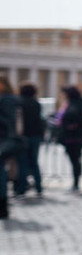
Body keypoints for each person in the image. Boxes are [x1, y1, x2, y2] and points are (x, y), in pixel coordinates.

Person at [14, 83, 45, 198]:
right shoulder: (36, 103)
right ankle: (39, 187)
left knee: (23, 163)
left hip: (23, 136)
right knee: (34, 162)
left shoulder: (19, 103)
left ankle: (21, 189)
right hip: (35, 136)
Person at [59, 85, 82, 192]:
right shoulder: (79, 102)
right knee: (75, 158)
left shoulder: (75, 104)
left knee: (75, 158)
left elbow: (74, 116)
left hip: (74, 136)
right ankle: (76, 181)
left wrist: (70, 124)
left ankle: (76, 182)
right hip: (77, 135)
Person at [0, 76, 19, 219]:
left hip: (4, 140)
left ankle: (2, 205)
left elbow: (8, 121)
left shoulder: (8, 100)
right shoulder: (10, 99)